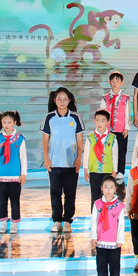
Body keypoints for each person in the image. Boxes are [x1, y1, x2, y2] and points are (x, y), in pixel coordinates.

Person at [41, 87, 85, 233]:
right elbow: (45, 140)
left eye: (65, 99)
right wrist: (46, 158)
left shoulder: (75, 118)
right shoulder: (49, 118)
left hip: (71, 163)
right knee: (55, 193)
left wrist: (79, 158)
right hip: (54, 162)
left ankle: (67, 220)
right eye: (59, 99)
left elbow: (80, 140)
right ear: (55, 100)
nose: (62, 102)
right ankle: (57, 221)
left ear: (69, 100)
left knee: (70, 193)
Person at [89, 175, 126, 276]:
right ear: (101, 188)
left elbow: (121, 224)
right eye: (106, 187)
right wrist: (94, 236)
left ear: (115, 188)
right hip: (101, 240)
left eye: (111, 187)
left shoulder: (119, 206)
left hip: (114, 241)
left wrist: (120, 239)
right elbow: (94, 221)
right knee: (101, 264)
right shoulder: (97, 204)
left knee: (114, 264)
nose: (108, 190)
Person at [0, 110, 27, 234]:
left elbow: (23, 157)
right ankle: (3, 223)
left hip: (15, 175)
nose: (6, 125)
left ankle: (14, 224)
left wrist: (23, 174)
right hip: (1, 175)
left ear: (14, 122)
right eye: (4, 122)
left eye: (9, 122)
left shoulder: (20, 139)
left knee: (15, 201)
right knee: (2, 201)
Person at [100, 71, 132, 180]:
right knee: (108, 150)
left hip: (121, 128)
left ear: (121, 83)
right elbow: (102, 114)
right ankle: (109, 169)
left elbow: (127, 113)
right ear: (109, 82)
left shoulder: (125, 98)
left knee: (121, 151)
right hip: (108, 130)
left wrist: (126, 127)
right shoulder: (105, 98)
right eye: (113, 81)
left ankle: (120, 171)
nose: (115, 83)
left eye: (117, 81)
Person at [85, 109, 120, 205]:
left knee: (108, 195)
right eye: (97, 120)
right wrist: (85, 169)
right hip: (94, 170)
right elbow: (86, 154)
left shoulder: (112, 138)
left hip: (108, 171)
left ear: (108, 122)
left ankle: (108, 213)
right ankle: (95, 213)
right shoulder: (90, 137)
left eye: (102, 121)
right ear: (94, 121)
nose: (99, 123)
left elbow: (115, 156)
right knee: (95, 195)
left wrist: (114, 172)